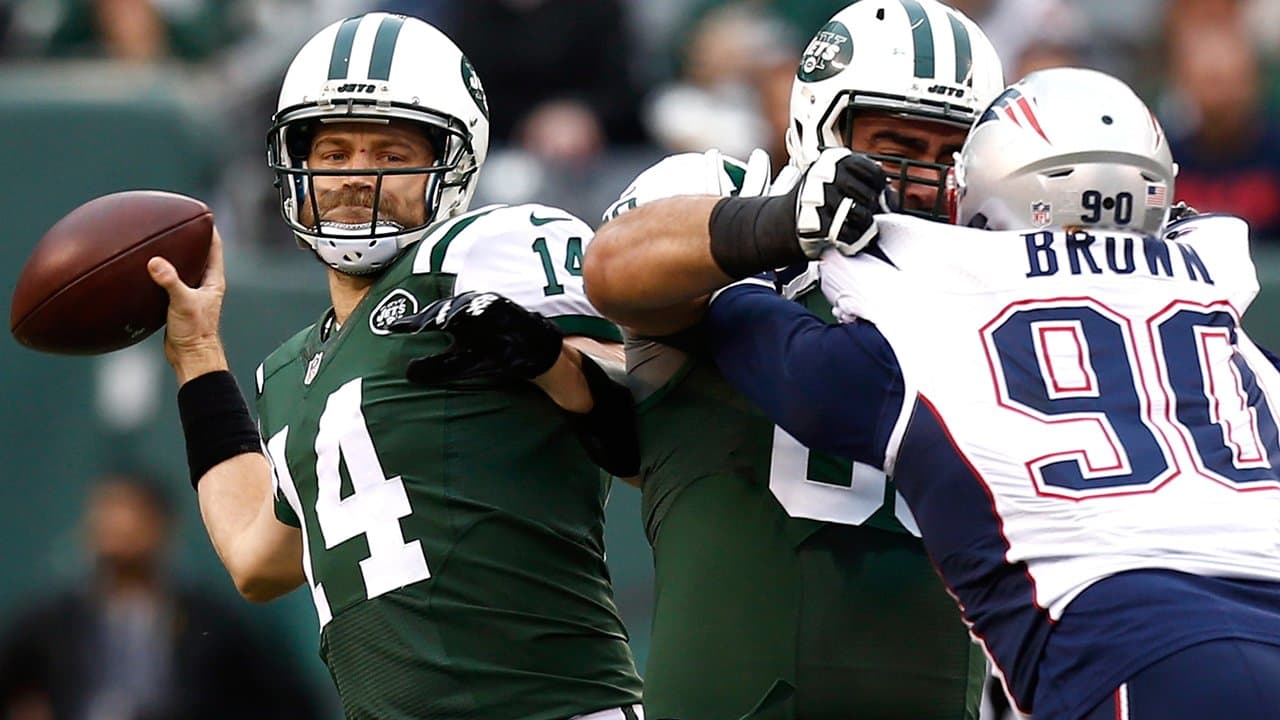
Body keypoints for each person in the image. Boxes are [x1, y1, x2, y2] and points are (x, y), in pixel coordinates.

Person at [701, 68, 1280, 719]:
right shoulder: (1230, 332)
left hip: (1128, 654)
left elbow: (776, 355)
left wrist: (745, 253)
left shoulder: (944, 319)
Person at [145, 13, 643, 720]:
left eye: (389, 152)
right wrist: (198, 355)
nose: (356, 177)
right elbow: (259, 560)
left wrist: (554, 363)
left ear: (453, 163)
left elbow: (645, 428)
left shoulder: (488, 255)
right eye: (335, 152)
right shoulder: (290, 371)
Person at [584, 2, 1004, 718]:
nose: (925, 180)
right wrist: (783, 224)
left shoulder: (999, 279)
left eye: (949, 156)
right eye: (895, 143)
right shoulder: (731, 202)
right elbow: (614, 266)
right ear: (820, 124)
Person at [0, 472, 321, 720]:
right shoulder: (49, 628)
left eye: (130, 516)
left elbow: (286, 700)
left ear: (161, 526)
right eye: (107, 516)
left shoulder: (212, 626)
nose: (117, 530)